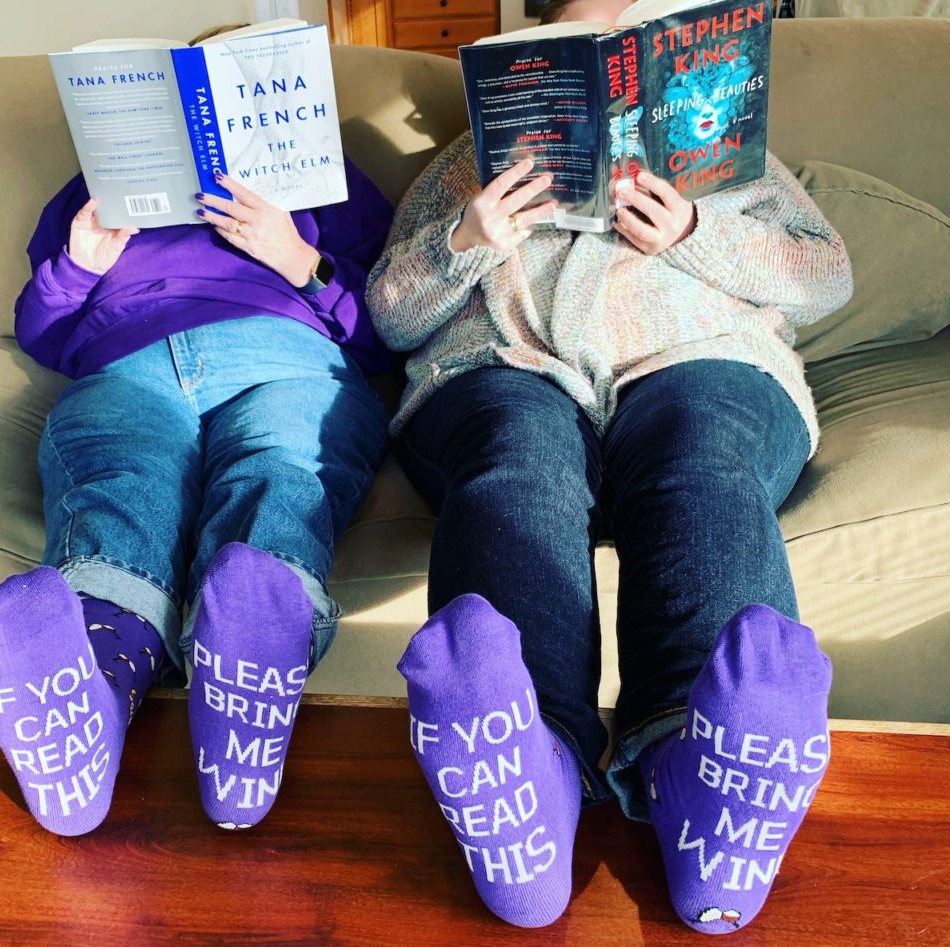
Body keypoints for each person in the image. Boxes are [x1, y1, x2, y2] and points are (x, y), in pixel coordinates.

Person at [366, 0, 852, 933]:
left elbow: (825, 275)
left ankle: (701, 769)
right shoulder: (466, 163)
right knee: (517, 459)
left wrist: (695, 229)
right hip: (512, 370)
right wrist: (465, 242)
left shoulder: (727, 158)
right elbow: (390, 315)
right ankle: (529, 787)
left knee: (700, 454)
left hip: (696, 361)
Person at [0, 69, 394, 836]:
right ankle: (88, 708)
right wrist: (81, 265)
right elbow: (42, 331)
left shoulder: (324, 181)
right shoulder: (90, 188)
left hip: (286, 356)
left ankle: (247, 687)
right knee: (124, 483)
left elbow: (386, 331)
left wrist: (296, 256)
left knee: (281, 471)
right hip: (130, 361)